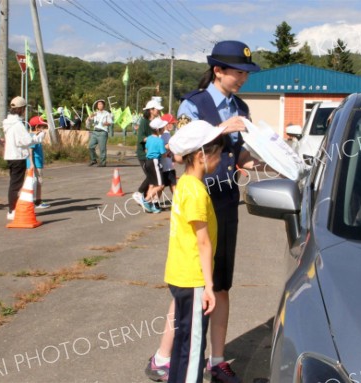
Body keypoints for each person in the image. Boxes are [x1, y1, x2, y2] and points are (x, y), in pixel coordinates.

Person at [146, 40, 260, 383]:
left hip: (225, 200)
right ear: (218, 71)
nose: (242, 78)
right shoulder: (193, 105)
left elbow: (238, 156)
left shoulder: (241, 107)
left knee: (221, 283)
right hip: (198, 198)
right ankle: (163, 358)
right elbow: (180, 154)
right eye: (237, 72)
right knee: (193, 284)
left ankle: (218, 360)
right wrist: (222, 130)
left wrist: (255, 159)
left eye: (246, 73)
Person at [152, 120, 225, 383]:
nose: (220, 159)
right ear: (201, 155)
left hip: (180, 274)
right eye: (217, 153)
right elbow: (202, 242)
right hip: (193, 279)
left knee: (184, 343)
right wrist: (208, 285)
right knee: (193, 348)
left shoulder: (183, 184)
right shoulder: (195, 192)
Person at [3, 97, 45, 220]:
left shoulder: (7, 123)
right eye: (25, 108)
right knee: (16, 185)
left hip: (10, 155)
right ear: (21, 109)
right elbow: (27, 141)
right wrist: (39, 137)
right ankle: (12, 210)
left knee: (14, 183)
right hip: (18, 156)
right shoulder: (17, 124)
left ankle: (13, 209)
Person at [133, 99, 163, 206]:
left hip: (153, 154)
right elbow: (141, 138)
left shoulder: (155, 121)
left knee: (153, 177)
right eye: (157, 109)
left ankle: (147, 199)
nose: (158, 111)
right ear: (151, 110)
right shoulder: (144, 122)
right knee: (151, 176)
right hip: (144, 154)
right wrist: (153, 140)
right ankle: (139, 193)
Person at [141, 117, 168, 213]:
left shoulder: (149, 139)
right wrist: (168, 149)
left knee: (152, 184)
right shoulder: (160, 141)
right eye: (162, 127)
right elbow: (164, 154)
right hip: (155, 162)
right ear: (158, 129)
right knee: (160, 185)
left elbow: (147, 149)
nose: (164, 129)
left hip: (147, 162)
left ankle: (152, 205)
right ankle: (146, 200)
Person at [27, 116, 50, 209]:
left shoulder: (37, 137)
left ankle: (38, 200)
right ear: (36, 127)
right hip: (34, 163)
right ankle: (35, 201)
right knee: (35, 182)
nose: (43, 129)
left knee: (39, 181)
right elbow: (30, 151)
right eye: (42, 127)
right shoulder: (33, 137)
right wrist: (31, 163)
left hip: (38, 162)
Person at [86, 99, 112, 167]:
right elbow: (89, 120)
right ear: (97, 106)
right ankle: (93, 159)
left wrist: (106, 123)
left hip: (103, 132)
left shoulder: (107, 114)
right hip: (95, 132)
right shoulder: (95, 113)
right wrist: (90, 117)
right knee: (90, 146)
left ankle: (103, 163)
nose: (99, 105)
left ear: (103, 105)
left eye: (101, 104)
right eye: (98, 104)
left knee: (102, 148)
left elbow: (110, 122)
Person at [159, 114, 178, 196]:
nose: (173, 125)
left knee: (162, 185)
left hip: (163, 165)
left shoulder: (161, 134)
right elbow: (167, 146)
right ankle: (178, 201)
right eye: (171, 123)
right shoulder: (166, 134)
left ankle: (155, 202)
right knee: (172, 184)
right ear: (166, 124)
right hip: (167, 165)